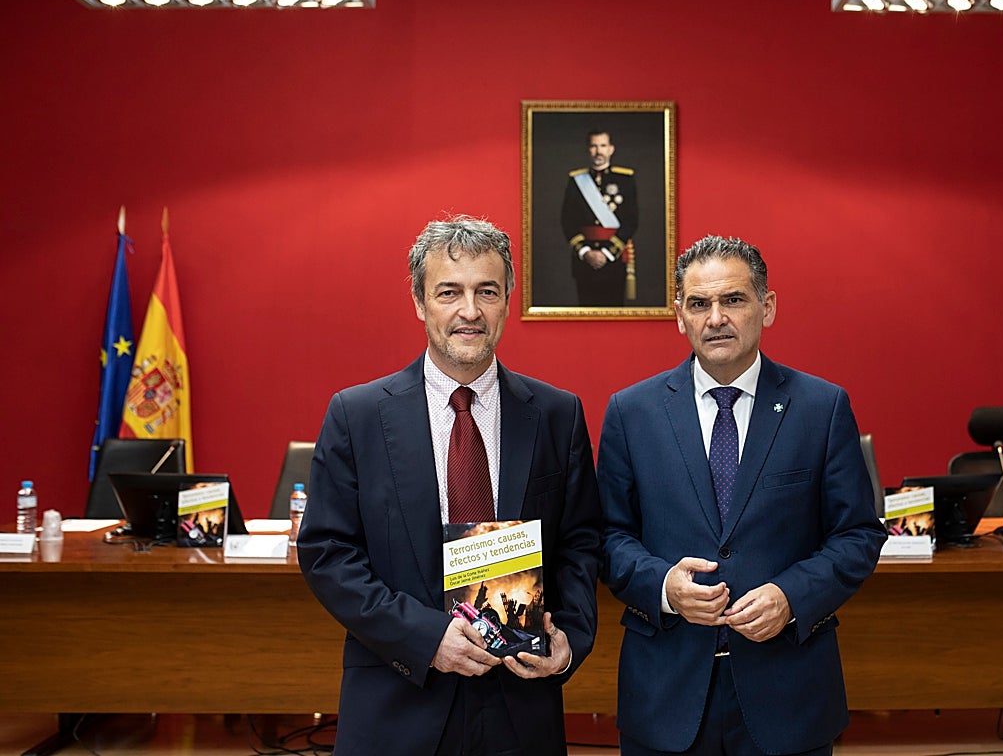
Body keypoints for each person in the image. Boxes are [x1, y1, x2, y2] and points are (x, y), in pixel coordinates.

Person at [297, 216, 602, 756]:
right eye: (449, 292)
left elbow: (580, 542)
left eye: (487, 291)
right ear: (419, 302)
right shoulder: (358, 415)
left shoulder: (557, 414)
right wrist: (425, 638)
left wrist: (570, 642)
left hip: (520, 702)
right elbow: (328, 553)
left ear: (507, 300)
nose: (470, 311)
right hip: (399, 699)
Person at [596, 235, 886, 756]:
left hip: (788, 691)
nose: (716, 319)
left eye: (733, 300)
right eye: (699, 304)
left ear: (766, 307)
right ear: (679, 316)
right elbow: (609, 536)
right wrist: (663, 586)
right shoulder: (630, 412)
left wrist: (791, 596)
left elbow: (858, 534)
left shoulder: (822, 408)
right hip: (666, 691)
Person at [560, 129, 638, 306]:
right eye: (594, 146)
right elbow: (567, 221)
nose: (598, 151)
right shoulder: (576, 180)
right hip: (584, 262)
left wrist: (607, 252)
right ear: (588, 149)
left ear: (611, 149)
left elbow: (631, 220)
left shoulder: (625, 179)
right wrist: (585, 252)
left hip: (614, 259)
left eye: (602, 146)